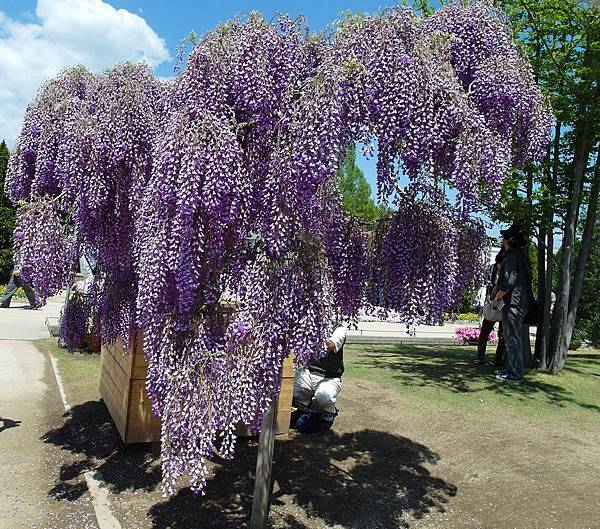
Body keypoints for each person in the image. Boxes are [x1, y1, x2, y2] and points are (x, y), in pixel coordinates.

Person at [492, 225, 531, 383]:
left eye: (504, 238)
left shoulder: (511, 256)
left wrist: (497, 298)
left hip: (513, 303)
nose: (502, 240)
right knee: (511, 338)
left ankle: (515, 375)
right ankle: (510, 370)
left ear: (509, 241)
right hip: (520, 302)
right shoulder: (521, 256)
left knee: (512, 338)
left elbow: (509, 282)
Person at [293, 324, 346, 430]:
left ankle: (329, 412)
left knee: (324, 398)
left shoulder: (339, 328)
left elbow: (330, 345)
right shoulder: (309, 323)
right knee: (294, 394)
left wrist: (311, 337)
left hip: (329, 377)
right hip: (308, 371)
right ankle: (307, 407)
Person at [474, 249, 506, 365]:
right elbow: (491, 284)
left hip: (503, 303)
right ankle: (480, 356)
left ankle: (498, 359)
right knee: (485, 331)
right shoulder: (493, 269)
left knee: (502, 334)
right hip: (492, 301)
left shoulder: (507, 270)